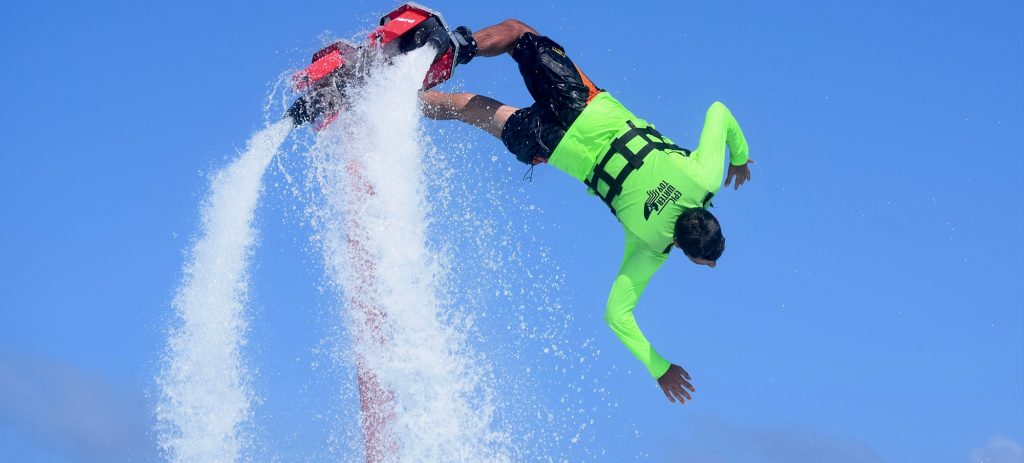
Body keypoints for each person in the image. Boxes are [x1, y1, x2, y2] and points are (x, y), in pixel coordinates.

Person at [421, 19, 753, 406]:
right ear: (690, 252)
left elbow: (719, 111)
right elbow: (616, 316)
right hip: (553, 145)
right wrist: (659, 368)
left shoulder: (704, 178)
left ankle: (458, 48)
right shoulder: (649, 248)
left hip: (580, 101)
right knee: (467, 108)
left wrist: (741, 159)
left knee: (515, 33)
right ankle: (400, 98)